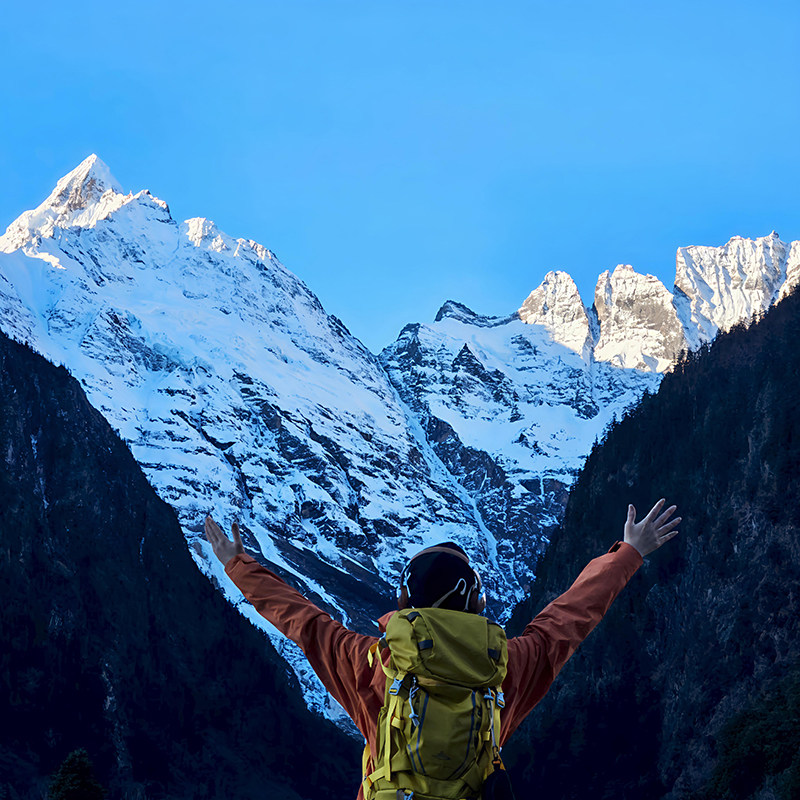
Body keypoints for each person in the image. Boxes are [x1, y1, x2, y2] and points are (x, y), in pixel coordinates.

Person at [205, 499, 680, 800]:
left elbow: (306, 623)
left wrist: (238, 566)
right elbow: (567, 621)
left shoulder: (373, 664)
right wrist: (628, 554)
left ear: (405, 602)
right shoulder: (508, 666)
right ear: (475, 602)